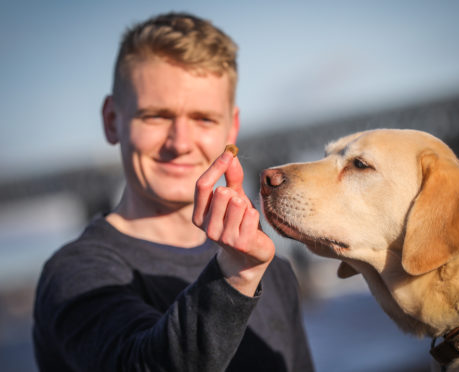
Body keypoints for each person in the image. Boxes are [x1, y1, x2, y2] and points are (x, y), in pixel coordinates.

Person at [32, 12, 315, 372]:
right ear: (111, 120)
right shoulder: (74, 275)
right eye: (155, 116)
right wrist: (235, 277)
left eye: (203, 119)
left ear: (233, 127)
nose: (180, 143)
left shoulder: (271, 269)